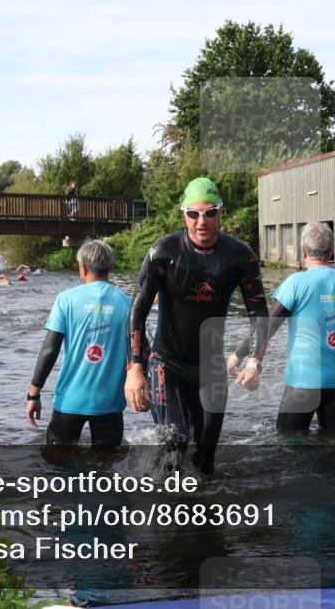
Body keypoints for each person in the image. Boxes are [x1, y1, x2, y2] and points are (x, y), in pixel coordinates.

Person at [124, 177, 268, 473]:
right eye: (193, 214)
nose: (202, 222)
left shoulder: (240, 256)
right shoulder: (163, 253)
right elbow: (136, 312)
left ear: (221, 213)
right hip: (168, 362)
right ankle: (167, 509)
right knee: (174, 441)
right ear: (184, 214)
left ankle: (204, 515)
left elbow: (259, 315)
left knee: (206, 459)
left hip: (212, 366)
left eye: (210, 212)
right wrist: (135, 369)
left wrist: (254, 363)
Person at [229, 222, 335, 433]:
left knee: (289, 443)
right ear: (331, 252)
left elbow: (266, 326)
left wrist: (239, 354)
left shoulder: (296, 283)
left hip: (302, 382)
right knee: (334, 446)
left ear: (303, 251)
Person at [26, 241, 131, 445]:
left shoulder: (66, 299)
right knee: (106, 469)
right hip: (110, 403)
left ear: (82, 267)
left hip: (70, 401)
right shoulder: (127, 302)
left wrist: (33, 395)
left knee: (59, 467)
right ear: (110, 267)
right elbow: (140, 350)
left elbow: (50, 349)